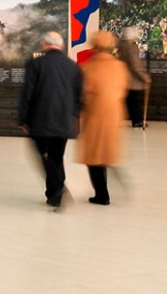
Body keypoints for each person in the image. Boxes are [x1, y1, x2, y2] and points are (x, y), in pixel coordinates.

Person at [18, 31, 83, 208]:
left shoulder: (36, 64)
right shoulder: (73, 66)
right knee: (56, 156)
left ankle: (57, 190)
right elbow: (78, 97)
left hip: (40, 120)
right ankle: (54, 193)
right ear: (61, 46)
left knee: (44, 156)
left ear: (44, 44)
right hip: (63, 120)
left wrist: (24, 120)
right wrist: (73, 117)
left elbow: (27, 94)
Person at [77, 31, 130, 206]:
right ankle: (108, 184)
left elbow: (84, 94)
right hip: (114, 115)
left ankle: (102, 194)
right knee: (106, 151)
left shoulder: (88, 67)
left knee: (94, 156)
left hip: (94, 116)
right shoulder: (120, 66)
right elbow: (122, 90)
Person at [117, 27, 151, 128]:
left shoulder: (121, 46)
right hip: (132, 79)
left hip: (123, 76)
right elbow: (135, 64)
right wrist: (145, 77)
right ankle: (137, 120)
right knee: (134, 100)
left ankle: (135, 120)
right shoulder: (132, 47)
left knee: (129, 100)